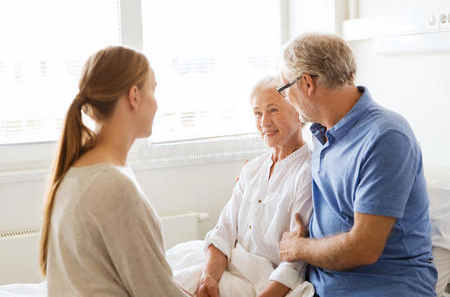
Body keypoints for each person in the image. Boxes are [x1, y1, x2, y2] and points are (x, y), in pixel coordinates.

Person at [277, 33, 438, 296]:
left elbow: (363, 248)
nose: (286, 99)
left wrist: (298, 247)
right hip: (319, 283)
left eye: (285, 89)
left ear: (306, 83)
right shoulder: (322, 135)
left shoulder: (385, 137)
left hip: (382, 287)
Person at [38, 46, 187, 296]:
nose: (157, 103)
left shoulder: (77, 170)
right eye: (154, 89)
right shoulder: (113, 186)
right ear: (134, 96)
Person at [166, 75, 314, 297]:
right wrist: (208, 278)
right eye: (257, 113)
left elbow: (295, 264)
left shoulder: (307, 172)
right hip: (225, 264)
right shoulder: (252, 169)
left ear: (298, 110)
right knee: (163, 271)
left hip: (261, 281)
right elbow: (223, 230)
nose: (264, 122)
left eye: (273, 110)